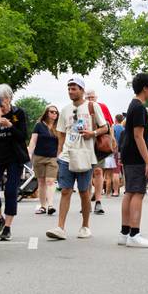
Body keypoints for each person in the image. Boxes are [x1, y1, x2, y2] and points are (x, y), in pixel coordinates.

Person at [45, 75, 108, 240]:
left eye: (74, 88)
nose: (71, 91)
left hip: (86, 155)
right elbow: (61, 135)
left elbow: (105, 127)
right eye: (69, 88)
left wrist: (92, 133)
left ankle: (85, 226)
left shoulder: (92, 106)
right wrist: (59, 155)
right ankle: (60, 227)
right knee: (65, 190)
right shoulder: (65, 110)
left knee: (83, 192)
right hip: (67, 155)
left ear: (82, 90)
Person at [118, 73, 148, 248]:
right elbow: (138, 136)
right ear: (145, 88)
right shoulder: (140, 108)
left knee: (129, 192)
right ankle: (134, 233)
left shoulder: (132, 105)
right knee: (138, 193)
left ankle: (125, 232)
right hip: (136, 155)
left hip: (128, 154)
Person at [0, 84, 28, 241]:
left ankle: (8, 227)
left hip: (15, 157)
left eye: (3, 99)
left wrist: (10, 125)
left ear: (10, 98)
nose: (0, 103)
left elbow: (22, 135)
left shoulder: (18, 114)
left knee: (11, 191)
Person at [85, 89, 114, 215]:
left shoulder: (102, 107)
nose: (91, 99)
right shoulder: (81, 107)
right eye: (88, 97)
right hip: (84, 145)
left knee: (98, 171)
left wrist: (112, 140)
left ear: (96, 97)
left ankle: (98, 201)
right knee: (86, 173)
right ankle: (85, 202)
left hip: (99, 145)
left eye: (92, 97)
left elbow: (110, 125)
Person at [28, 104, 59, 215]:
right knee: (41, 182)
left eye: (56, 112)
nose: (54, 114)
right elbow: (33, 141)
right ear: (46, 112)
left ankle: (50, 205)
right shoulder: (39, 125)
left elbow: (61, 142)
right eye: (51, 111)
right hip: (39, 156)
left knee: (50, 181)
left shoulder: (58, 127)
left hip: (53, 158)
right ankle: (42, 206)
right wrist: (30, 153)